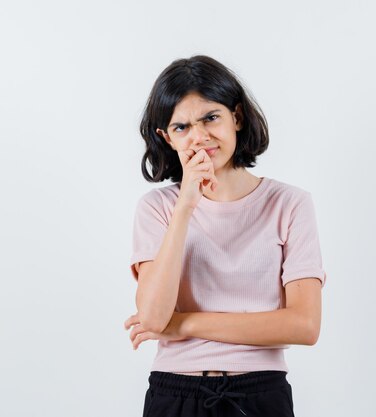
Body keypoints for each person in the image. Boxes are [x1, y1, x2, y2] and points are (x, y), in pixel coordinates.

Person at [123, 55, 327, 417]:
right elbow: (153, 317)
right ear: (166, 137)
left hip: (261, 393)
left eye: (211, 118)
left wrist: (182, 324)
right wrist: (186, 204)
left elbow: (304, 325)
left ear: (237, 116)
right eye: (182, 127)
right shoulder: (157, 208)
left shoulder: (290, 204)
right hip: (176, 392)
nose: (200, 137)